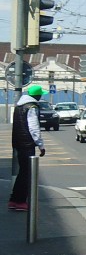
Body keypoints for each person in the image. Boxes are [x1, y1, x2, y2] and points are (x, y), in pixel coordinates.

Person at [9, 83, 46, 211]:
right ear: (37, 95)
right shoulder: (32, 107)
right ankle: (19, 201)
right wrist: (41, 145)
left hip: (18, 143)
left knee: (22, 172)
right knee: (27, 173)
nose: (41, 97)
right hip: (27, 144)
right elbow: (34, 127)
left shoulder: (19, 106)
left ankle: (14, 200)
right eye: (40, 95)